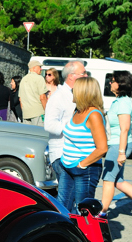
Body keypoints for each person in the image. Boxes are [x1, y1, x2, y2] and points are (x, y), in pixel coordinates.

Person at [100, 70, 132, 221]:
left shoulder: (123, 102)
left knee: (108, 179)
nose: (110, 83)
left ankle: (102, 213)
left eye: (113, 80)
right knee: (118, 181)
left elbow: (124, 129)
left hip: (118, 145)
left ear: (121, 84)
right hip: (118, 144)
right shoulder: (120, 100)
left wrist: (121, 152)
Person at [58, 76, 108, 212]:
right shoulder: (77, 111)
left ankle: (84, 234)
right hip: (67, 166)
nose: (72, 91)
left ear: (83, 92)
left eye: (75, 89)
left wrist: (82, 164)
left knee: (82, 211)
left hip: (85, 170)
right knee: (62, 207)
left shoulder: (94, 115)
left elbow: (102, 148)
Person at [44, 60, 86, 194]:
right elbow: (50, 125)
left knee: (73, 196)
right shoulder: (58, 96)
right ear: (71, 76)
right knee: (67, 197)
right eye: (83, 73)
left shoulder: (75, 93)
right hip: (62, 154)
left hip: (74, 154)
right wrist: (73, 127)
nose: (86, 76)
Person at [19, 60, 48, 125]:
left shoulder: (23, 79)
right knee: (40, 133)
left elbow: (20, 99)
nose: (41, 69)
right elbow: (42, 97)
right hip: (38, 113)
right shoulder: (39, 78)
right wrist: (47, 111)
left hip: (26, 113)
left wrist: (24, 111)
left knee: (29, 134)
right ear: (34, 68)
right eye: (39, 67)